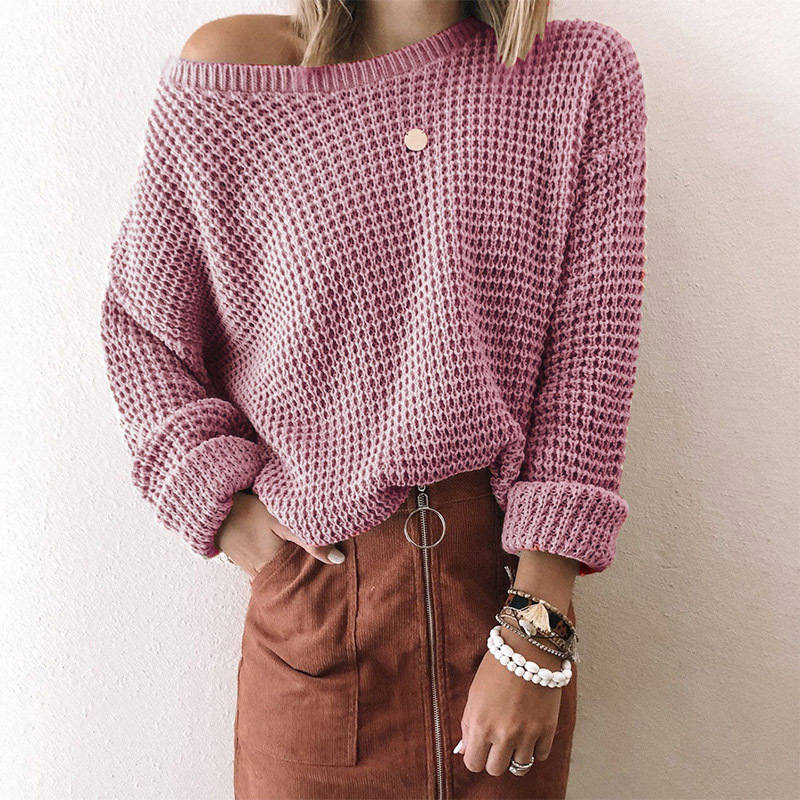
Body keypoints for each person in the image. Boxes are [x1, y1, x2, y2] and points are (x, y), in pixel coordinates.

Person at [99, 1, 648, 797]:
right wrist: (223, 507)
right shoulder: (235, 71)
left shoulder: (580, 74)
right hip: (315, 611)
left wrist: (538, 627)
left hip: (505, 606)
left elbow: (592, 355)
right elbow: (142, 327)